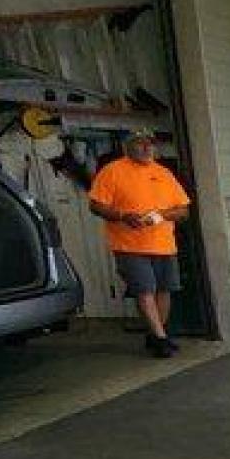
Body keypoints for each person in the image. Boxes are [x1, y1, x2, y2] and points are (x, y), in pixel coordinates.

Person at [89, 129, 191, 357]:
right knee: (145, 289)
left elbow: (183, 210)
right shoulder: (113, 171)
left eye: (150, 144)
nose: (146, 148)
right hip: (130, 245)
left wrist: (163, 214)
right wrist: (123, 216)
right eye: (140, 144)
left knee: (165, 290)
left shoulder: (164, 173)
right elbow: (96, 205)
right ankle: (161, 339)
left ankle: (156, 334)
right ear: (128, 146)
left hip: (164, 243)